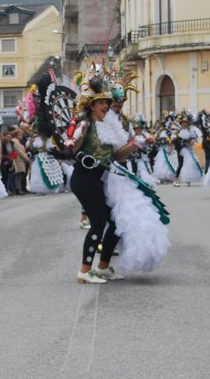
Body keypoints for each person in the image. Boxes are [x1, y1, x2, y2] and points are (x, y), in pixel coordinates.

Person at [65, 76, 170, 284]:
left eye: (107, 102)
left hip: (101, 178)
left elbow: (115, 158)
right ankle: (84, 270)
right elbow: (70, 150)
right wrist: (77, 150)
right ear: (92, 105)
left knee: (114, 222)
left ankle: (102, 267)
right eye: (102, 103)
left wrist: (128, 149)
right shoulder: (85, 125)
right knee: (98, 223)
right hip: (84, 179)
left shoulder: (108, 125)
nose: (106, 106)